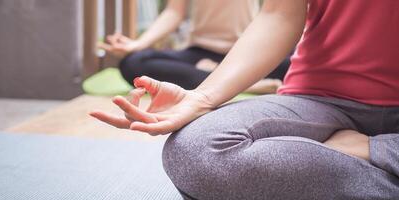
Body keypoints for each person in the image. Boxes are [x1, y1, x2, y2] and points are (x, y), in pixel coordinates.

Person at [91, 0, 399, 199]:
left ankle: (376, 150)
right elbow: (278, 16)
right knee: (197, 151)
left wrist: (373, 148)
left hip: (236, 53)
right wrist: (202, 97)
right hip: (319, 96)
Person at [99, 0, 290, 93]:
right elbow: (174, 12)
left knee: (296, 62)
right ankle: (248, 84)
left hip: (247, 51)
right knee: (133, 63)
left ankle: (223, 76)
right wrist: (137, 44)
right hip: (200, 53)